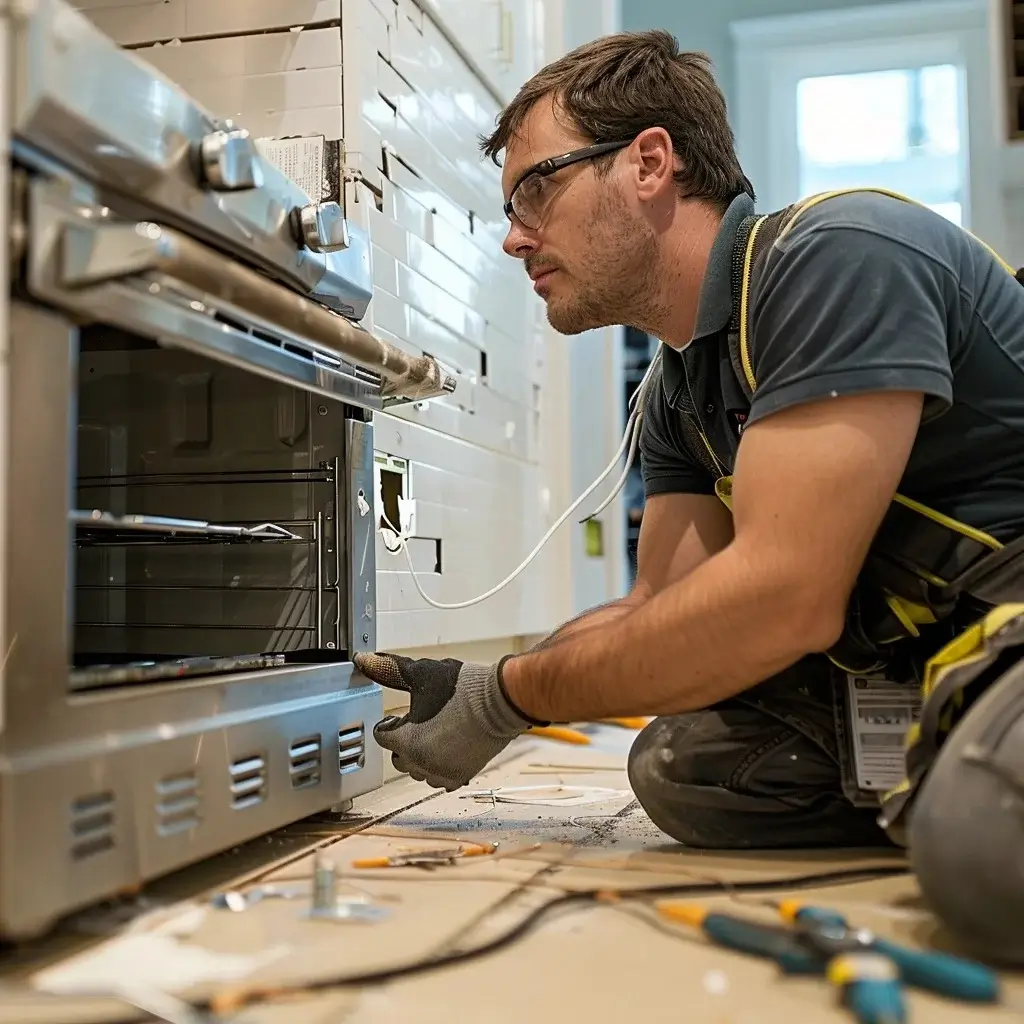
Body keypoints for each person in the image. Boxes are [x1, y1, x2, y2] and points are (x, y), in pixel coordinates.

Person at [354, 31, 1024, 960]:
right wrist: (477, 687)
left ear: (650, 162)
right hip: (933, 657)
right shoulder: (677, 390)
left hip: (1008, 615)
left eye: (535, 190)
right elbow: (662, 611)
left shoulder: (838, 256)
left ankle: (965, 792)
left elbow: (785, 599)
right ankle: (955, 768)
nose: (513, 235)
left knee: (985, 850)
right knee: (686, 769)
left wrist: (513, 696)